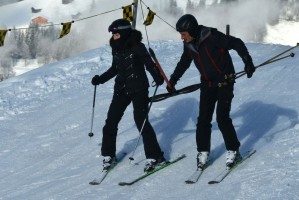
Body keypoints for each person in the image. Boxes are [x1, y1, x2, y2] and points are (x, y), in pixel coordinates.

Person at [167, 14, 255, 170]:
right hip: (207, 84)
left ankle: (234, 150)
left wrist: (247, 61)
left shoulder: (212, 37)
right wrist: (173, 80)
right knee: (203, 120)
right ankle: (203, 152)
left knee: (222, 118)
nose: (181, 37)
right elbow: (184, 62)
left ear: (191, 30)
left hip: (225, 81)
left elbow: (236, 43)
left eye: (183, 34)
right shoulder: (189, 44)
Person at [91, 19, 166, 173]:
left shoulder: (137, 46)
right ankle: (108, 156)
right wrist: (101, 79)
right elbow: (115, 68)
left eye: (116, 33)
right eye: (113, 34)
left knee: (141, 122)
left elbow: (149, 64)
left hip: (139, 88)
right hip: (121, 89)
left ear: (124, 33)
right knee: (111, 122)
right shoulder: (116, 48)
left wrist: (157, 77)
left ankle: (155, 156)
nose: (114, 36)